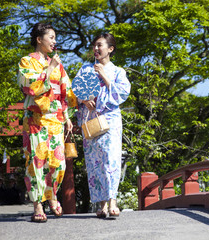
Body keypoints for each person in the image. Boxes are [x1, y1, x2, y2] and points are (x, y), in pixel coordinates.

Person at [17, 22, 77, 222]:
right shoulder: (27, 62)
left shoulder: (58, 64)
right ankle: (37, 204)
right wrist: (49, 69)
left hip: (56, 120)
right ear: (39, 39)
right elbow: (30, 87)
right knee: (36, 161)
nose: (55, 41)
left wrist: (67, 117)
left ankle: (52, 195)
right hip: (35, 120)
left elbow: (65, 91)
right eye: (51, 37)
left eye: (55, 37)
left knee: (58, 164)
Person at [74, 33, 130, 218]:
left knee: (111, 159)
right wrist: (82, 99)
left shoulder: (118, 71)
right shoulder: (85, 69)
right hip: (91, 120)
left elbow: (122, 93)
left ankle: (112, 200)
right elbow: (74, 93)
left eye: (100, 45)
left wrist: (104, 76)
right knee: (94, 163)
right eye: (94, 46)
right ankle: (101, 204)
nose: (96, 49)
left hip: (111, 121)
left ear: (110, 49)